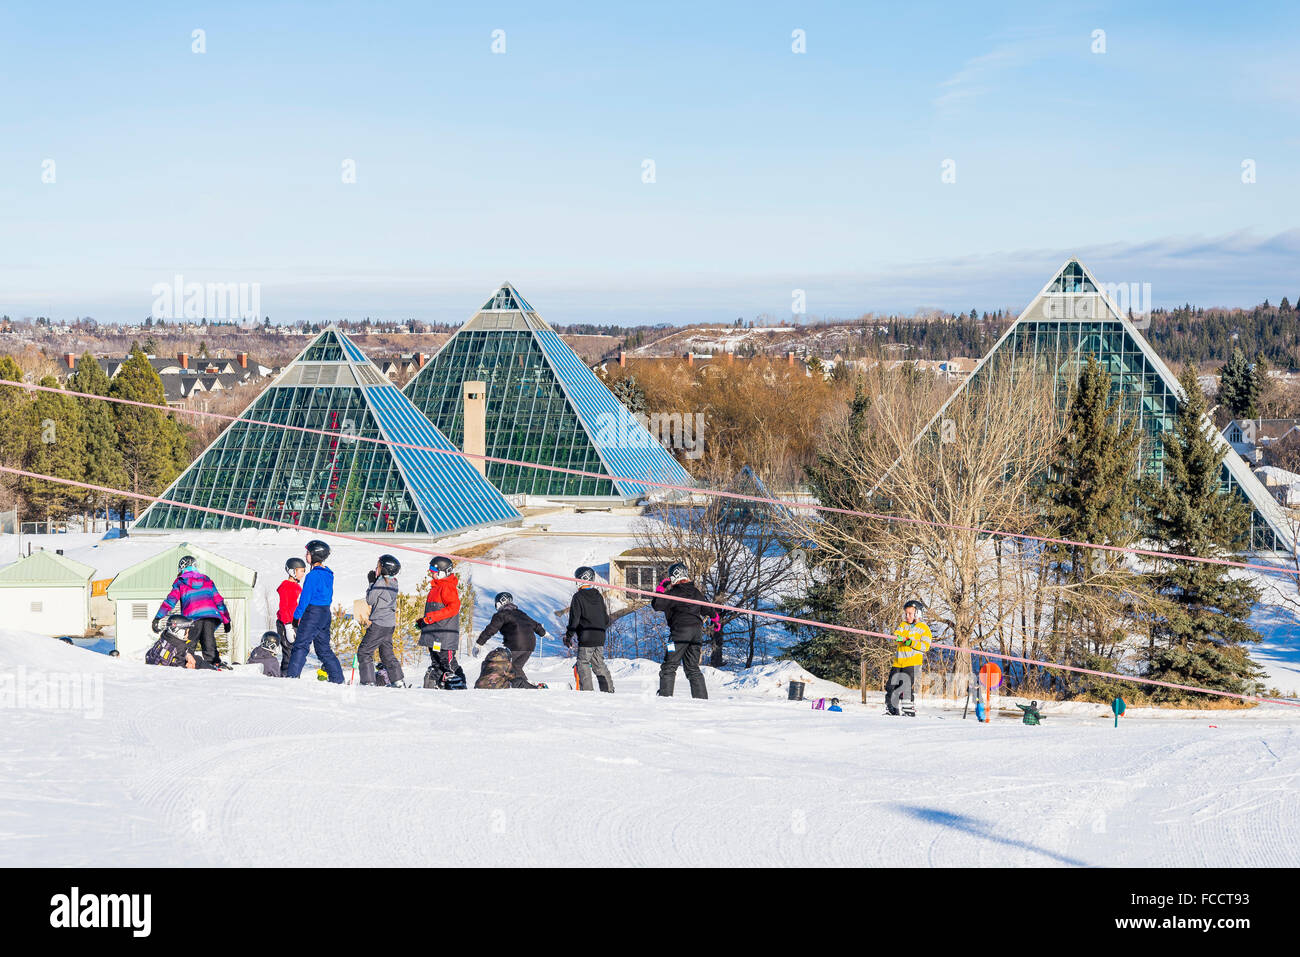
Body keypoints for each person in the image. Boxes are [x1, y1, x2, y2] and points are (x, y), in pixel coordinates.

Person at [650, 563, 719, 699]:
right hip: (696, 634)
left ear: (673, 577)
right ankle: (702, 701)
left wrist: (661, 587)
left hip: (678, 634)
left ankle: (665, 697)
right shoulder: (695, 592)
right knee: (692, 668)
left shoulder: (674, 593)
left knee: (669, 666)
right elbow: (707, 608)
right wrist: (715, 618)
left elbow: (657, 604)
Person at [152, 555, 232, 668]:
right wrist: (226, 620)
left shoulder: (181, 581)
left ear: (180, 568)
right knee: (209, 642)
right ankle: (214, 663)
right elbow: (219, 601)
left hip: (192, 617)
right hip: (210, 616)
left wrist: (158, 617)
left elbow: (170, 601)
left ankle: (187, 663)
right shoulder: (207, 580)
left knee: (189, 644)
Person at [286, 540, 344, 683]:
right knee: (323, 649)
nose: (306, 555)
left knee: (300, 645)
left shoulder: (312, 576)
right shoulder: (328, 573)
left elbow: (305, 598)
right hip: (325, 613)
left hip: (313, 613)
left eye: (308, 553)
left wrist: (296, 616)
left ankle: (292, 676)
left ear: (315, 555)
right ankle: (337, 678)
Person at [473, 591, 546, 685]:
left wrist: (479, 643)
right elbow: (534, 624)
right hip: (530, 645)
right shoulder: (521, 613)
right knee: (516, 667)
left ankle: (522, 686)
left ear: (500, 603)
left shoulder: (501, 615)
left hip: (516, 644)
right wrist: (543, 633)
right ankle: (526, 684)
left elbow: (490, 629)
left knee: (509, 668)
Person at [358, 554, 406, 687]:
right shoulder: (394, 582)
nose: (375, 569)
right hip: (389, 624)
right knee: (386, 654)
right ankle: (398, 680)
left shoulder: (380, 582)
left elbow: (370, 600)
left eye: (378, 566)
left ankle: (368, 681)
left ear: (384, 569)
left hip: (379, 624)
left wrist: (371, 583)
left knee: (364, 652)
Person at [564, 566, 614, 693]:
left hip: (586, 636)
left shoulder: (578, 597)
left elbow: (574, 619)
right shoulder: (598, 595)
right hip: (600, 635)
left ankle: (587, 692)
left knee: (583, 663)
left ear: (581, 579)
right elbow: (606, 618)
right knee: (599, 665)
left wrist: (568, 636)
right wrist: (601, 629)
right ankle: (608, 690)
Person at [419, 555, 466, 689]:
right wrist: (423, 621)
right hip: (434, 633)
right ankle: (438, 684)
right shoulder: (436, 588)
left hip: (444, 634)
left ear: (443, 572)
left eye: (434, 571)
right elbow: (435, 610)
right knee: (436, 662)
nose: (431, 574)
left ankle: (460, 685)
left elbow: (453, 607)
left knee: (448, 663)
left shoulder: (447, 587)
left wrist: (431, 617)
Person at [886, 599, 932, 717]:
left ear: (918, 614)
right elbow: (896, 635)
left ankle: (908, 710)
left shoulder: (924, 628)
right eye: (906, 613)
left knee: (905, 686)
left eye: (910, 614)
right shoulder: (903, 625)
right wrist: (899, 638)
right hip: (898, 662)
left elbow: (925, 646)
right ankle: (891, 708)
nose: (907, 616)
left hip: (912, 662)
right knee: (891, 685)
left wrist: (910, 642)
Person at [145, 615, 218, 670]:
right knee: (197, 660)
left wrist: (187, 655)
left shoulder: (165, 638)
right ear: (177, 631)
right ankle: (214, 671)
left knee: (194, 657)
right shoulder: (179, 647)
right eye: (186, 631)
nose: (188, 634)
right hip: (169, 674)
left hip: (154, 664)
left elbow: (148, 654)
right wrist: (188, 668)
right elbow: (177, 669)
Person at [276, 557, 306, 674]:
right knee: (289, 652)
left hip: (294, 623)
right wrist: (288, 626)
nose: (303, 573)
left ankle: (293, 675)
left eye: (304, 571)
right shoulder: (287, 586)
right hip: (286, 623)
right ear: (292, 571)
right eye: (301, 571)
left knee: (295, 652)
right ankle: (286, 675)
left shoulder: (297, 587)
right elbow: (284, 607)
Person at [474, 646, 540, 689]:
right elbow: (513, 678)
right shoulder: (507, 664)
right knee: (519, 681)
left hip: (478, 686)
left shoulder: (485, 663)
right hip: (496, 686)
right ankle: (536, 689)